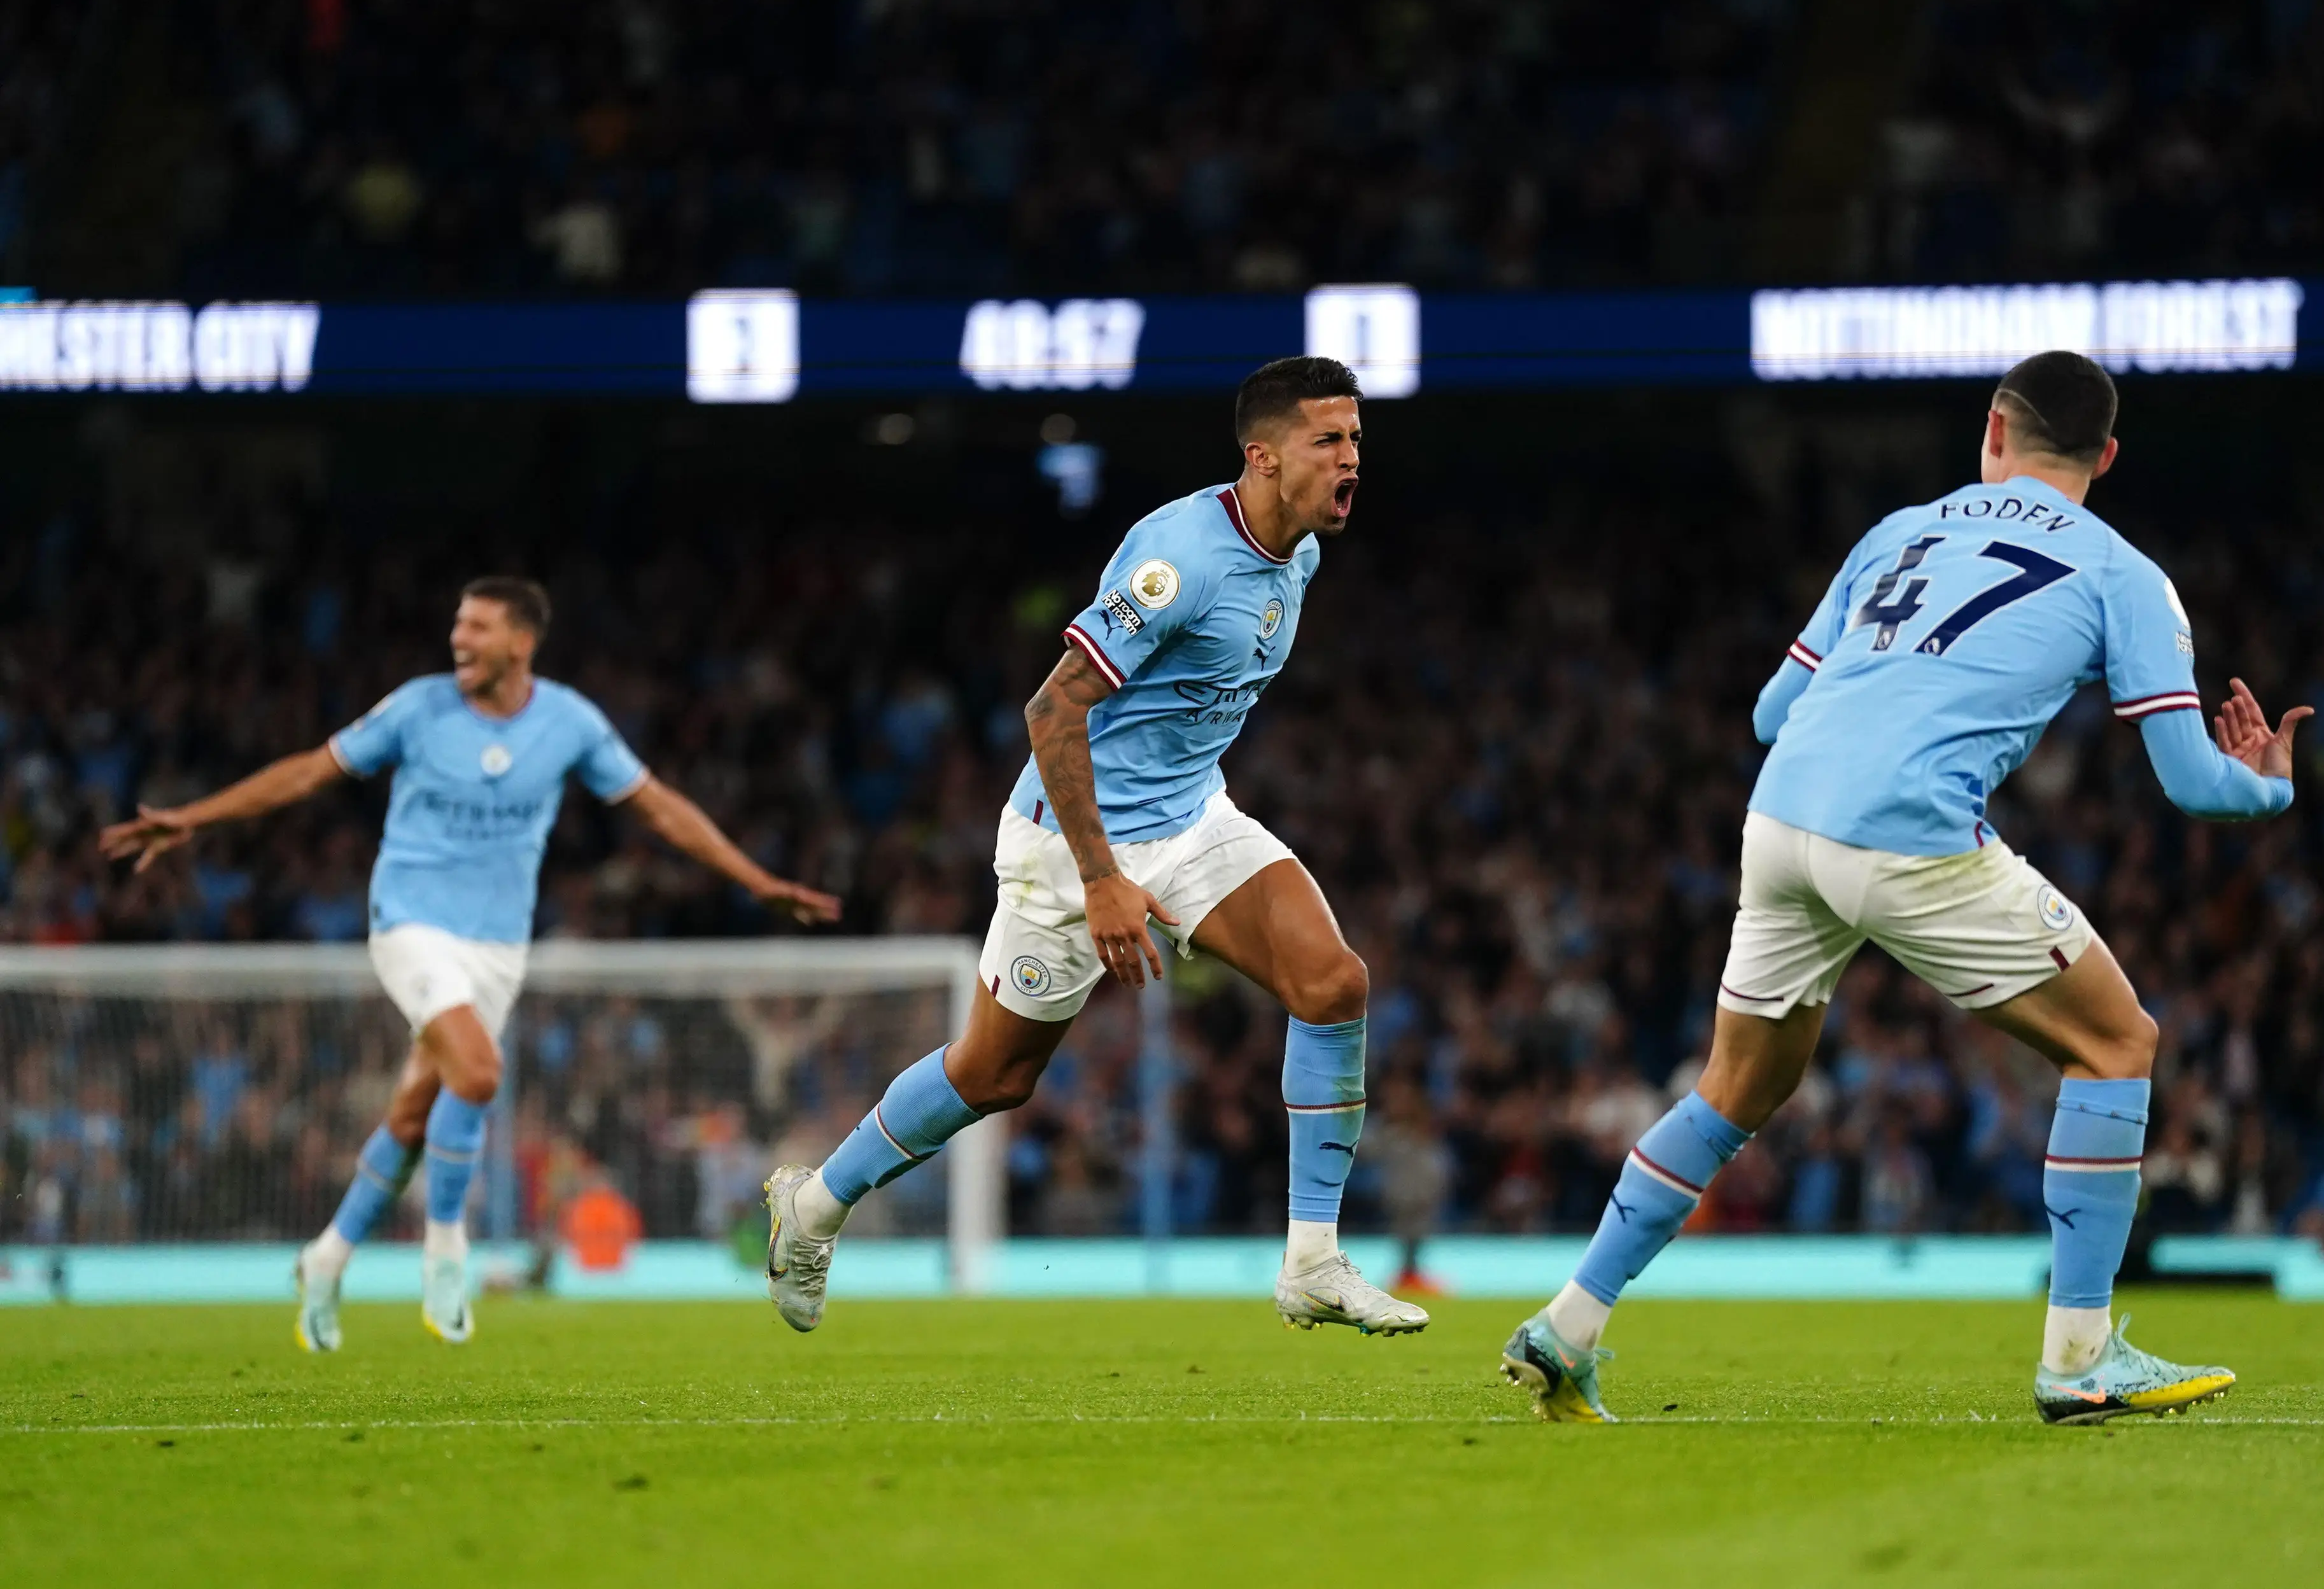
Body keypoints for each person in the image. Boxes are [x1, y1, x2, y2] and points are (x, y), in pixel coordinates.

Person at [1502, 351, 2310, 1424]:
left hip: (1782, 819)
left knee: (1734, 1087)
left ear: (1993, 430)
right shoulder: (2126, 576)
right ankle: (2080, 1356)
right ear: (2105, 456)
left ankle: (1566, 1325)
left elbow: (1767, 714)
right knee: (2118, 1043)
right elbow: (2190, 783)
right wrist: (2267, 789)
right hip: (1909, 830)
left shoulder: (1899, 531)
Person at [762, 357, 1428, 1338]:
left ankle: (1313, 1263)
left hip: (1192, 817)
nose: (1351, 460)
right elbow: (1051, 710)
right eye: (1328, 441)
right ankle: (813, 1207)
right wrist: (1103, 877)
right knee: (994, 1075)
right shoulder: (1178, 561)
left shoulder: (1301, 554)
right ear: (1264, 456)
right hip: (1070, 842)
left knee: (1334, 984)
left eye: (1356, 440)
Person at [100, 577, 838, 1349]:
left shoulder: (568, 721)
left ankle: (325, 1258)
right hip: (411, 923)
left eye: (479, 627)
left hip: (498, 946)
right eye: (458, 624)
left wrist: (756, 880)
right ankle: (447, 1249)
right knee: (481, 1073)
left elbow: (660, 808)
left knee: (419, 1111)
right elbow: (309, 771)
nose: (460, 638)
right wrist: (192, 817)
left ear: (521, 642)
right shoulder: (417, 708)